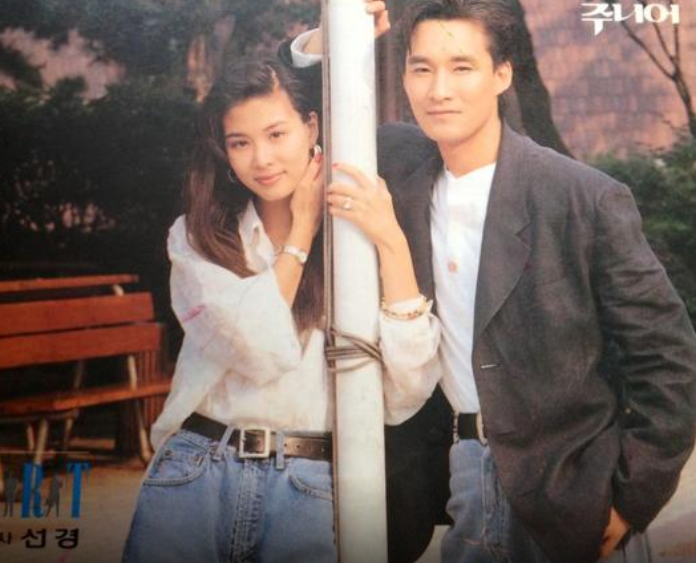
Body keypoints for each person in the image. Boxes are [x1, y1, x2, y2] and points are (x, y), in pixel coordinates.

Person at [285, 1, 696, 562]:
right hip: (463, 479)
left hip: (572, 488)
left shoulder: (581, 196)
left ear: (502, 74)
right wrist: (330, 37)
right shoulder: (396, 163)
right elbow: (290, 118)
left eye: (462, 67)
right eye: (422, 68)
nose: (439, 90)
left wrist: (631, 497)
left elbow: (669, 358)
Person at [121, 54, 441, 563]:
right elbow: (256, 346)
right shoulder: (198, 238)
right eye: (240, 143)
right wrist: (300, 234)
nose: (262, 159)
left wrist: (390, 242)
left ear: (311, 127)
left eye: (276, 134)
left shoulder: (353, 247)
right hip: (198, 470)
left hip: (306, 482)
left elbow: (407, 389)